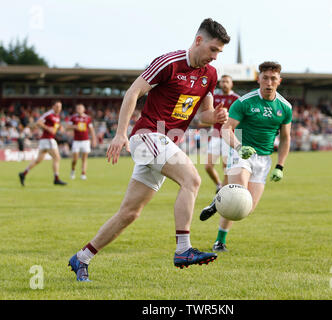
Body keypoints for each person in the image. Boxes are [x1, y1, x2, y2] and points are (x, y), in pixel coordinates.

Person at [68, 18, 231, 281]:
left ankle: (81, 258)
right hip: (147, 137)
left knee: (129, 213)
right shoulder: (169, 62)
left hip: (166, 143)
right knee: (192, 179)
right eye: (213, 50)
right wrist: (121, 133)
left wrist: (218, 117)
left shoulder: (209, 75)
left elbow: (204, 116)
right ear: (199, 40)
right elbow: (133, 92)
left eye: (219, 53)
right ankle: (183, 250)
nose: (214, 57)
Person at [200, 61, 292, 252]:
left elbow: (285, 138)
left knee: (245, 209)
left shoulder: (285, 107)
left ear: (279, 81)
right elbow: (226, 129)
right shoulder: (244, 102)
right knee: (237, 196)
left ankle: (218, 202)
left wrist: (280, 166)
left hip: (264, 160)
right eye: (265, 78)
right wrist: (239, 147)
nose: (268, 82)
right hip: (241, 154)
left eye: (273, 78)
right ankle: (220, 242)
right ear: (258, 79)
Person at [18, 100, 67, 186]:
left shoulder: (57, 116)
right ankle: (56, 179)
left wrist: (60, 127)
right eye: (57, 106)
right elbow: (39, 122)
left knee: (38, 160)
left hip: (45, 140)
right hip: (48, 139)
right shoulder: (49, 114)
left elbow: (55, 125)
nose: (59, 108)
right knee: (57, 158)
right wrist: (48, 128)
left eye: (60, 106)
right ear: (53, 107)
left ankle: (23, 173)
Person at [204, 75, 239, 193]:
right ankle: (219, 184)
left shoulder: (236, 99)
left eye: (227, 81)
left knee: (226, 167)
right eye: (223, 81)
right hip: (215, 135)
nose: (224, 83)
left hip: (228, 137)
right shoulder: (214, 97)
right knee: (208, 166)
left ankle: (223, 192)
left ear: (231, 84)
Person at [67, 103, 97, 180]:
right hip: (76, 141)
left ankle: (83, 173)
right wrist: (74, 126)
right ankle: (73, 170)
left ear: (84, 109)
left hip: (85, 141)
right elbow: (67, 127)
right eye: (78, 108)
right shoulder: (73, 118)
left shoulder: (88, 118)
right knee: (75, 159)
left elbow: (91, 129)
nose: (79, 109)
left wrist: (94, 139)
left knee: (84, 158)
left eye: (81, 108)